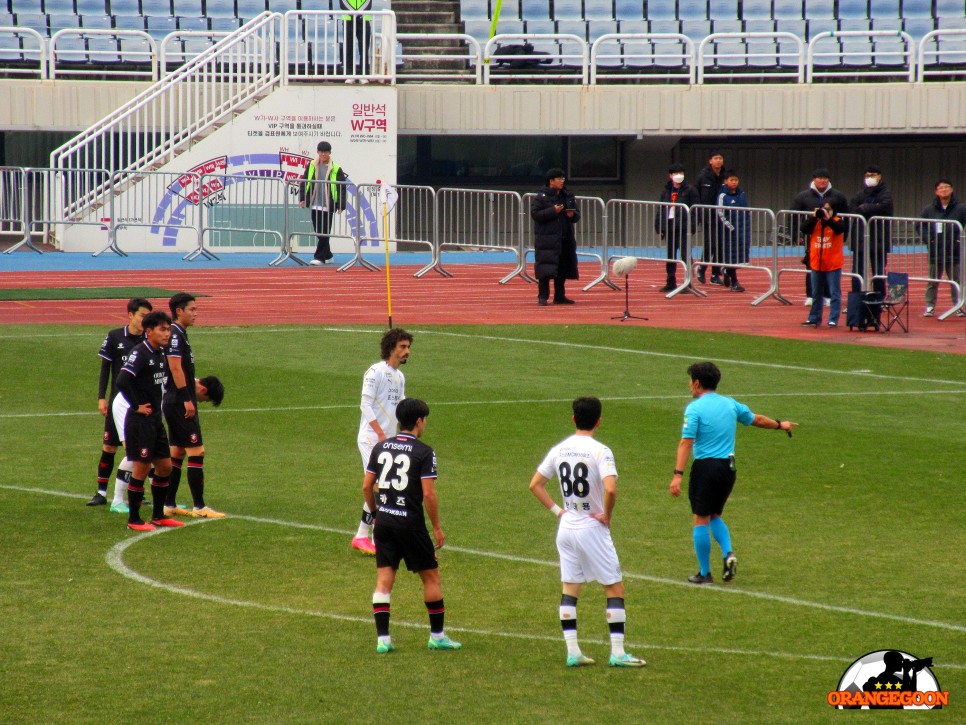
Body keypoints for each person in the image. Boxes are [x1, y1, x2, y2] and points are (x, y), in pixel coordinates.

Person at [528, 397, 646, 668]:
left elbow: (535, 484)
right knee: (614, 587)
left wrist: (559, 512)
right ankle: (617, 653)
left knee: (570, 587)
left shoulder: (560, 449)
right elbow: (611, 489)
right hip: (592, 528)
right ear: (599, 421)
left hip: (567, 526)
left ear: (573, 419)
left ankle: (573, 651)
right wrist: (607, 515)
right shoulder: (600, 450)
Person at [669, 362, 797, 584]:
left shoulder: (694, 408)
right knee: (715, 515)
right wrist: (780, 424)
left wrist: (677, 474)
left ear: (697, 383)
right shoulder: (730, 404)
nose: (689, 385)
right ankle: (728, 553)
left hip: (706, 467)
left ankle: (704, 573)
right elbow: (756, 419)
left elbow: (685, 443)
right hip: (728, 469)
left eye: (690, 381)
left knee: (700, 518)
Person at [362, 398, 461, 654]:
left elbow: (366, 486)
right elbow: (429, 494)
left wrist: (375, 513)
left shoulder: (381, 447)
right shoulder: (424, 452)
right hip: (411, 525)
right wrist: (437, 527)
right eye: (425, 419)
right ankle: (437, 636)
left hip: (384, 521)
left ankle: (383, 639)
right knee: (431, 577)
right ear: (419, 421)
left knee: (384, 580)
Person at [114, 310, 184, 532]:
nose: (167, 334)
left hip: (155, 421)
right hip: (140, 422)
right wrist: (136, 405)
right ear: (149, 331)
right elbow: (122, 380)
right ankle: (134, 519)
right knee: (142, 469)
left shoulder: (160, 353)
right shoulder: (141, 353)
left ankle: (158, 515)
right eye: (163, 329)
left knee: (164, 467)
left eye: (169, 329)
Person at [162, 292, 226, 519]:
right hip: (179, 402)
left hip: (175, 401)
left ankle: (168, 504)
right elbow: (175, 368)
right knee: (197, 451)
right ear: (179, 311)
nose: (196, 313)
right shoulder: (176, 335)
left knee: (177, 452)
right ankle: (199, 507)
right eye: (192, 309)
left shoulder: (180, 334)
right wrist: (187, 398)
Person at [87, 297, 152, 512]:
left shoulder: (148, 340)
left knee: (137, 449)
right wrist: (101, 397)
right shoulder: (115, 336)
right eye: (142, 315)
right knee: (109, 446)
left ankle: (136, 491)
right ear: (130, 315)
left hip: (138, 402)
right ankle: (101, 492)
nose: (145, 320)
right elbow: (106, 368)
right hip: (118, 402)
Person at [355, 328, 413, 555]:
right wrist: (380, 433)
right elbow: (365, 405)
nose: (407, 351)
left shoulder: (400, 377)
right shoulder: (374, 372)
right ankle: (378, 538)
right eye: (402, 347)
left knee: (384, 486)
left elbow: (400, 407)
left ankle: (362, 535)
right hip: (371, 439)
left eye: (408, 347)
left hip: (387, 441)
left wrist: (405, 432)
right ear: (391, 348)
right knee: (380, 487)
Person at [791, 169, 848, 305]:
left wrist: (844, 235)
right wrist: (796, 235)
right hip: (812, 238)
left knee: (830, 267)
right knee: (811, 265)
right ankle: (811, 296)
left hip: (831, 237)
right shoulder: (802, 196)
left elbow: (846, 218)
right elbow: (793, 217)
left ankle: (828, 296)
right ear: (814, 179)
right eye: (819, 178)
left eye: (825, 178)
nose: (822, 180)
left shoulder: (838, 196)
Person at [530, 168, 580, 306]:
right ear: (551, 181)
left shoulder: (567, 196)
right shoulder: (541, 197)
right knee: (545, 268)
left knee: (563, 267)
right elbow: (535, 214)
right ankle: (543, 296)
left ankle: (559, 295)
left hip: (565, 237)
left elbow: (576, 215)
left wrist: (573, 215)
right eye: (559, 179)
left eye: (563, 179)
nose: (562, 181)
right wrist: (553, 211)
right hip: (547, 239)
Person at [920, 179, 966, 317]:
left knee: (956, 281)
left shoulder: (961, 209)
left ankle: (958, 305)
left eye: (947, 187)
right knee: (932, 281)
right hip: (936, 252)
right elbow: (920, 226)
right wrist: (930, 240)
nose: (944, 190)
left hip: (954, 251)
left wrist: (960, 239)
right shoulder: (929, 209)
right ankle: (929, 306)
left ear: (952, 190)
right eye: (941, 188)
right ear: (936, 192)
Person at [299, 141, 349, 265]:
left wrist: (341, 205)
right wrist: (302, 197)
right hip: (315, 202)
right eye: (321, 151)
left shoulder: (336, 168)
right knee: (318, 231)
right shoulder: (311, 165)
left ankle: (319, 257)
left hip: (328, 205)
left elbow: (342, 188)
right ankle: (328, 255)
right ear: (317, 152)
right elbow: (304, 181)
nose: (323, 154)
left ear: (329, 153)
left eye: (325, 152)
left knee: (324, 231)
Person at [800, 201, 847, 328]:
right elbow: (804, 229)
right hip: (817, 263)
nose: (826, 211)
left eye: (829, 209)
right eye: (824, 209)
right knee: (816, 293)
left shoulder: (838, 221)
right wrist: (814, 217)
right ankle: (814, 318)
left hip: (833, 263)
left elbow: (840, 230)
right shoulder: (815, 222)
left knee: (834, 293)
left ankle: (833, 319)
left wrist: (829, 220)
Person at [849, 165, 894, 297]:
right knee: (857, 270)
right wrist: (869, 208)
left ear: (879, 177)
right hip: (860, 238)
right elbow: (852, 207)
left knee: (878, 270)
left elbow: (885, 207)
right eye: (868, 175)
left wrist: (865, 208)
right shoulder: (860, 193)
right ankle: (856, 297)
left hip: (878, 238)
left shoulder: (885, 193)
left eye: (873, 175)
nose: (870, 178)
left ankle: (879, 296)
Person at [656, 163, 700, 292]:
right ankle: (670, 282)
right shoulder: (666, 190)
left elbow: (695, 209)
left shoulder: (690, 190)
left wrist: (692, 226)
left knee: (685, 255)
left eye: (680, 173)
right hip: (669, 226)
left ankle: (688, 282)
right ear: (670, 175)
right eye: (675, 173)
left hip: (683, 227)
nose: (678, 176)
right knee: (670, 256)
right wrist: (660, 227)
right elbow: (661, 208)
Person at [715, 171, 750, 292]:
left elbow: (746, 210)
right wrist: (730, 227)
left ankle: (727, 271)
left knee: (740, 257)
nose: (734, 182)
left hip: (742, 231)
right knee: (731, 256)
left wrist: (745, 226)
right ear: (725, 181)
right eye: (731, 180)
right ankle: (734, 281)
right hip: (729, 232)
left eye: (736, 180)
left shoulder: (742, 194)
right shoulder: (723, 196)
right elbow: (720, 213)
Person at [695, 150, 726, 285]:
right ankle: (702, 268)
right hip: (708, 215)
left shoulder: (725, 175)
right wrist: (699, 214)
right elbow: (697, 195)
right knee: (710, 243)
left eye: (720, 158)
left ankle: (715, 273)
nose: (718, 160)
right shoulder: (703, 176)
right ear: (710, 161)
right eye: (716, 158)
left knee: (720, 245)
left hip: (722, 215)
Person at [341, 0, 372, 82]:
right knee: (349, 48)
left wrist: (358, 13)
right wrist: (353, 12)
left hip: (363, 19)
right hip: (348, 19)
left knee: (364, 49)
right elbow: (343, 3)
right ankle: (350, 74)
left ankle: (363, 74)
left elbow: (368, 3)